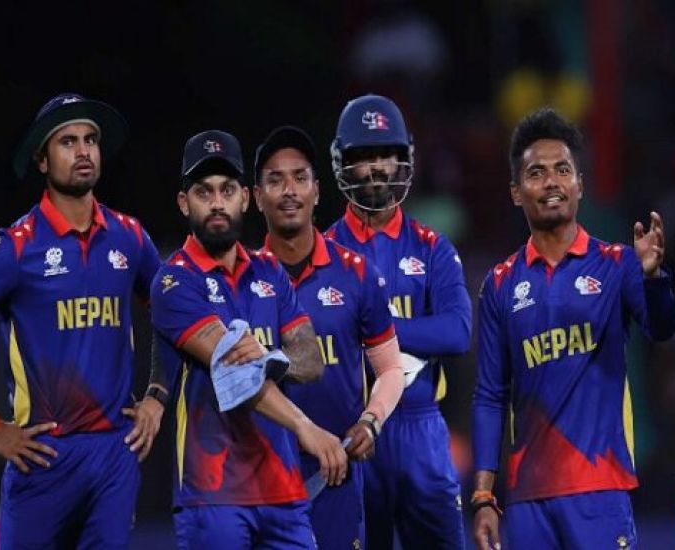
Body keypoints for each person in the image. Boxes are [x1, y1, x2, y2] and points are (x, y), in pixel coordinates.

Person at [471, 108, 675, 550]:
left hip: (600, 489)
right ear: (515, 192)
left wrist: (655, 278)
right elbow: (490, 394)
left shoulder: (617, 264)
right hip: (527, 499)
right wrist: (484, 495)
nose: (551, 182)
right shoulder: (500, 285)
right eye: (537, 173)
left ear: (580, 185)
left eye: (562, 170)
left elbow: (662, 328)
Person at [150, 129, 347, 549]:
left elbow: (311, 359)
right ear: (184, 203)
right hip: (213, 494)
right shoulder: (174, 281)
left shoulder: (270, 270)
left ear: (244, 197)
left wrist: (269, 356)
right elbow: (236, 373)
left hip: (284, 491)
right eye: (204, 192)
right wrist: (304, 425)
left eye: (227, 190)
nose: (216, 203)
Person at [0, 93, 164, 548]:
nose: (84, 150)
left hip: (114, 453)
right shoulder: (16, 247)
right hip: (42, 456)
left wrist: (156, 397)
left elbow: (178, 320)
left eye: (90, 139)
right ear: (42, 160)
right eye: (67, 142)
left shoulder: (130, 237)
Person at [326, 94, 472, 548]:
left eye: (385, 155)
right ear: (343, 163)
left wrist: (371, 330)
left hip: (420, 428)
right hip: (346, 429)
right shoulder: (322, 252)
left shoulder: (432, 248)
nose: (376, 168)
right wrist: (407, 335)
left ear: (404, 159)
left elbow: (457, 332)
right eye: (364, 156)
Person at [253, 125, 405, 549]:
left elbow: (391, 369)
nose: (289, 191)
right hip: (259, 479)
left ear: (317, 191)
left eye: (300, 177)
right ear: (257, 196)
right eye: (275, 180)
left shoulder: (357, 273)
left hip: (336, 473)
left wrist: (371, 422)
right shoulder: (241, 279)